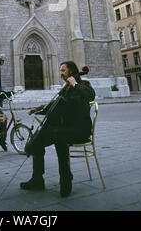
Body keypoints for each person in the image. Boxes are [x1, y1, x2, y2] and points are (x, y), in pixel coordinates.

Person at [20, 62, 95, 197]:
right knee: (39, 141)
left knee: (59, 138)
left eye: (63, 70)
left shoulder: (83, 85)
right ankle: (37, 179)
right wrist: (37, 109)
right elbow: (54, 105)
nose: (60, 73)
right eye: (60, 70)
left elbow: (91, 95)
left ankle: (66, 180)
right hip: (65, 129)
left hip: (79, 129)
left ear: (71, 72)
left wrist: (75, 84)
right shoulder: (66, 88)